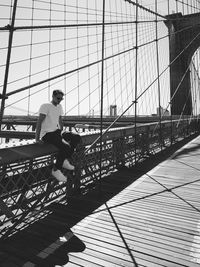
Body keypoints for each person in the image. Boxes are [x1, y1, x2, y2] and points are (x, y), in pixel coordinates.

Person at [35, 89, 74, 182]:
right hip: (47, 134)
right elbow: (39, 122)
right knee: (66, 147)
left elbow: (60, 120)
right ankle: (56, 170)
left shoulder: (59, 106)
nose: (60, 100)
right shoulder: (45, 106)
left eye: (61, 98)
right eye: (58, 98)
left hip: (56, 131)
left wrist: (62, 131)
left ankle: (63, 160)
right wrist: (37, 138)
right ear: (52, 96)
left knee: (75, 137)